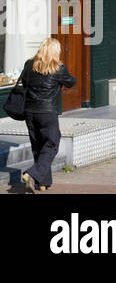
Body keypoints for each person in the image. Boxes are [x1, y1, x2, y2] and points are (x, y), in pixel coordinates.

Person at [18, 37, 76, 192]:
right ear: (55, 52)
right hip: (47, 112)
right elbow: (72, 82)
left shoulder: (29, 64)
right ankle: (31, 174)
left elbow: (24, 83)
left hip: (30, 111)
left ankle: (42, 183)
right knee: (51, 145)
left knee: (38, 146)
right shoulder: (58, 68)